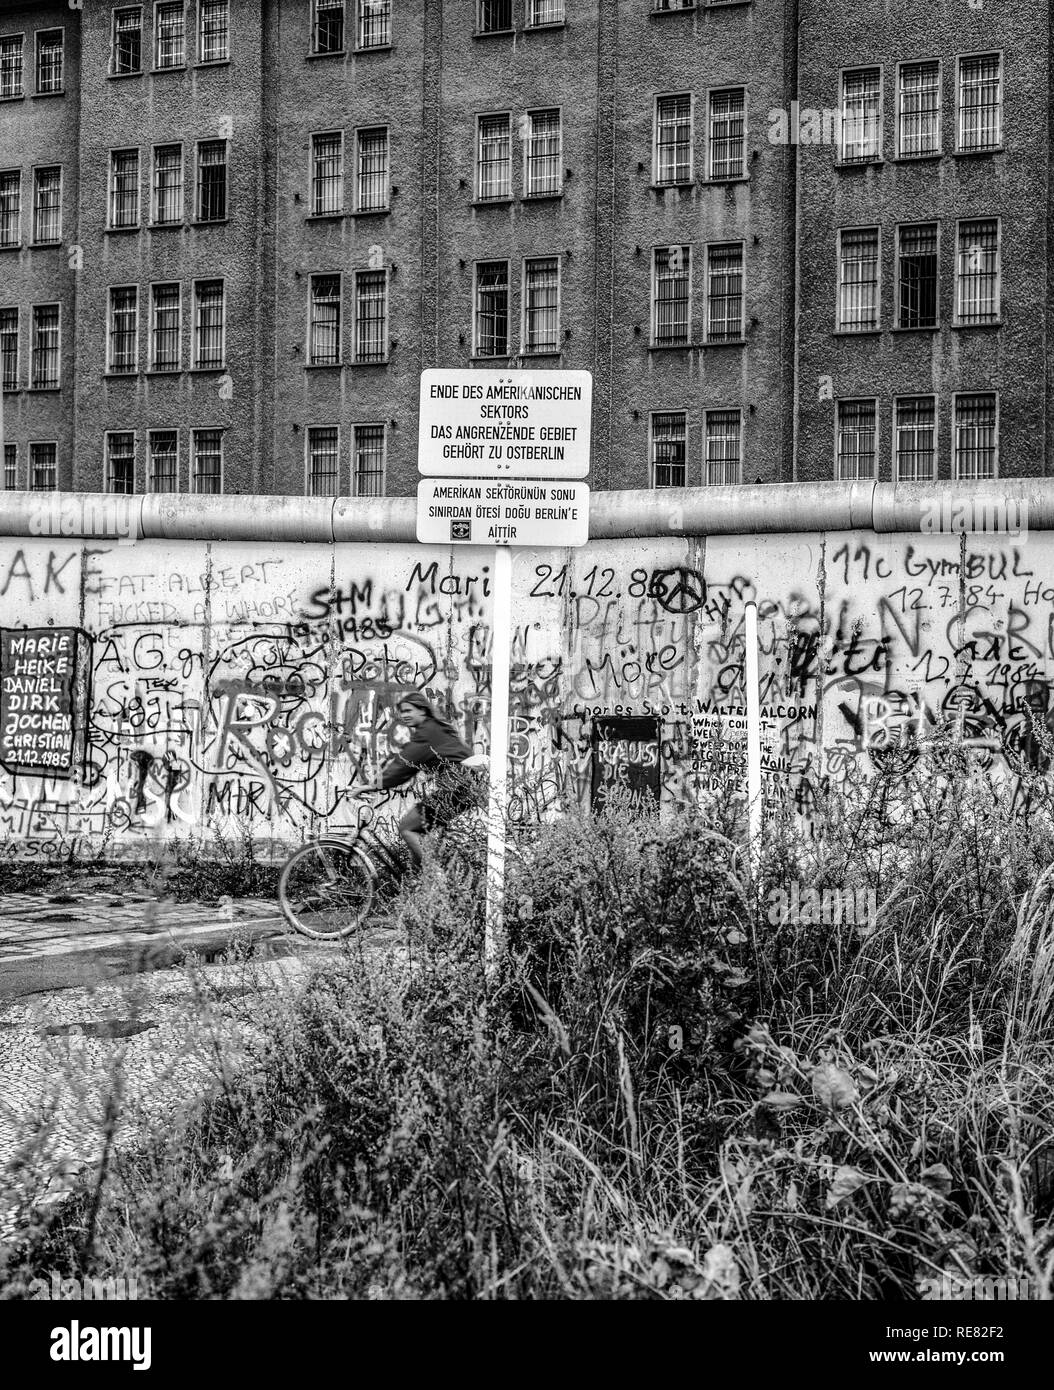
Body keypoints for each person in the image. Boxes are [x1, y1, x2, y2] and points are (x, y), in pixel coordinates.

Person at [347, 691, 478, 868]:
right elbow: (408, 767)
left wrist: (370, 786)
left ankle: (437, 879)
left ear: (422, 711)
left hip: (456, 789)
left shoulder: (428, 732)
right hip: (461, 787)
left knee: (407, 828)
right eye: (402, 712)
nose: (404, 715)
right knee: (417, 836)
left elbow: (403, 766)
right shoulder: (433, 728)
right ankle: (417, 883)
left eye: (409, 711)